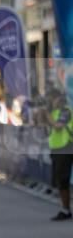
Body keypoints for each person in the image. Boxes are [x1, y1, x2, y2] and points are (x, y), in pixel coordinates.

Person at [47, 89, 73, 221]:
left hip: (66, 147)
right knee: (61, 181)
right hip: (57, 149)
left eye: (52, 98)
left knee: (63, 180)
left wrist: (47, 115)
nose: (50, 101)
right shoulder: (54, 112)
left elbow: (58, 126)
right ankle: (65, 210)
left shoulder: (65, 110)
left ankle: (66, 210)